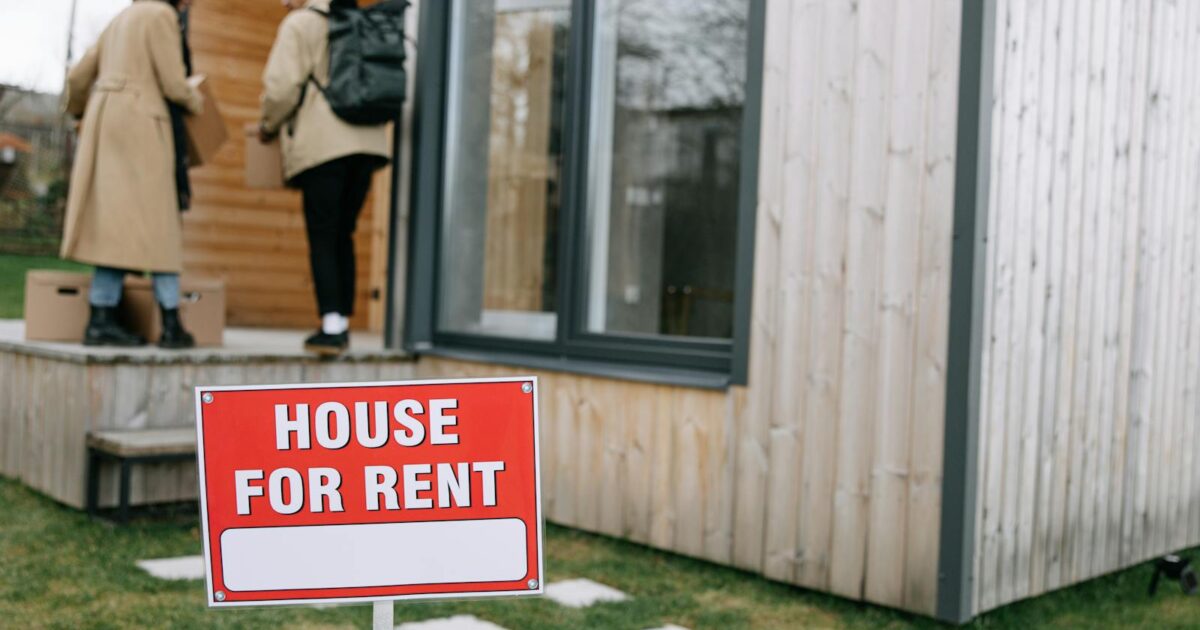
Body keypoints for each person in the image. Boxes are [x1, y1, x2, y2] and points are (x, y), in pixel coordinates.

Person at [61, 0, 201, 349]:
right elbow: (173, 82)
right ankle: (171, 322)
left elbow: (78, 76)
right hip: (143, 119)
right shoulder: (162, 15)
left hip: (104, 118)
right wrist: (198, 100)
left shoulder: (121, 18)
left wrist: (81, 109)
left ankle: (101, 317)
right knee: (161, 222)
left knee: (113, 223)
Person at [259, 0, 390, 356]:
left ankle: (331, 327)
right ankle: (341, 322)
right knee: (343, 232)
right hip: (369, 144)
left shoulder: (300, 24)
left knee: (323, 233)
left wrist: (267, 125)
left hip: (325, 144)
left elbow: (282, 88)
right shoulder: (358, 19)